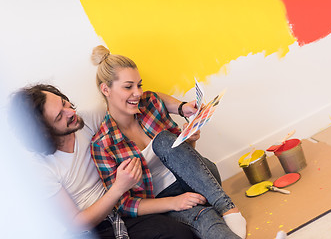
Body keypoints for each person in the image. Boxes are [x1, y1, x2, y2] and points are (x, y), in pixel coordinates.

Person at [90, 45, 247, 239]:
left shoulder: (151, 104)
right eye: (128, 86)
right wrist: (175, 202)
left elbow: (184, 155)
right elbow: (125, 205)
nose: (138, 93)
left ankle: (227, 207)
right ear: (106, 89)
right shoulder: (103, 144)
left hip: (198, 178)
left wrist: (189, 140)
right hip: (162, 202)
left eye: (139, 85)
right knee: (205, 217)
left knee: (163, 140)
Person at [8, 84, 196, 239]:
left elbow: (140, 98)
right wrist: (119, 187)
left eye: (65, 103)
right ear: (43, 132)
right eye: (59, 116)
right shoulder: (39, 168)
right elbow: (77, 224)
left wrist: (181, 107)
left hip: (124, 207)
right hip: (93, 228)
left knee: (180, 233)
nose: (70, 111)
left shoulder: (86, 120)